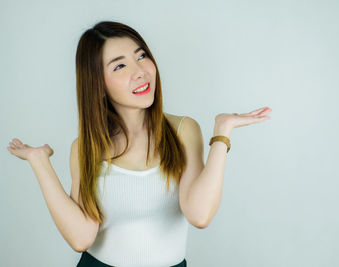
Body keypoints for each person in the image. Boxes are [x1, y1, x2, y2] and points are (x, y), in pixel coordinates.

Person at [6, 20, 272, 267]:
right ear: (98, 83)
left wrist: (221, 134)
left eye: (141, 56)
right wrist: (39, 161)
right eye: (120, 66)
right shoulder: (87, 146)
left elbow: (199, 215)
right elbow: (81, 237)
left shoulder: (182, 131)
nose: (140, 72)